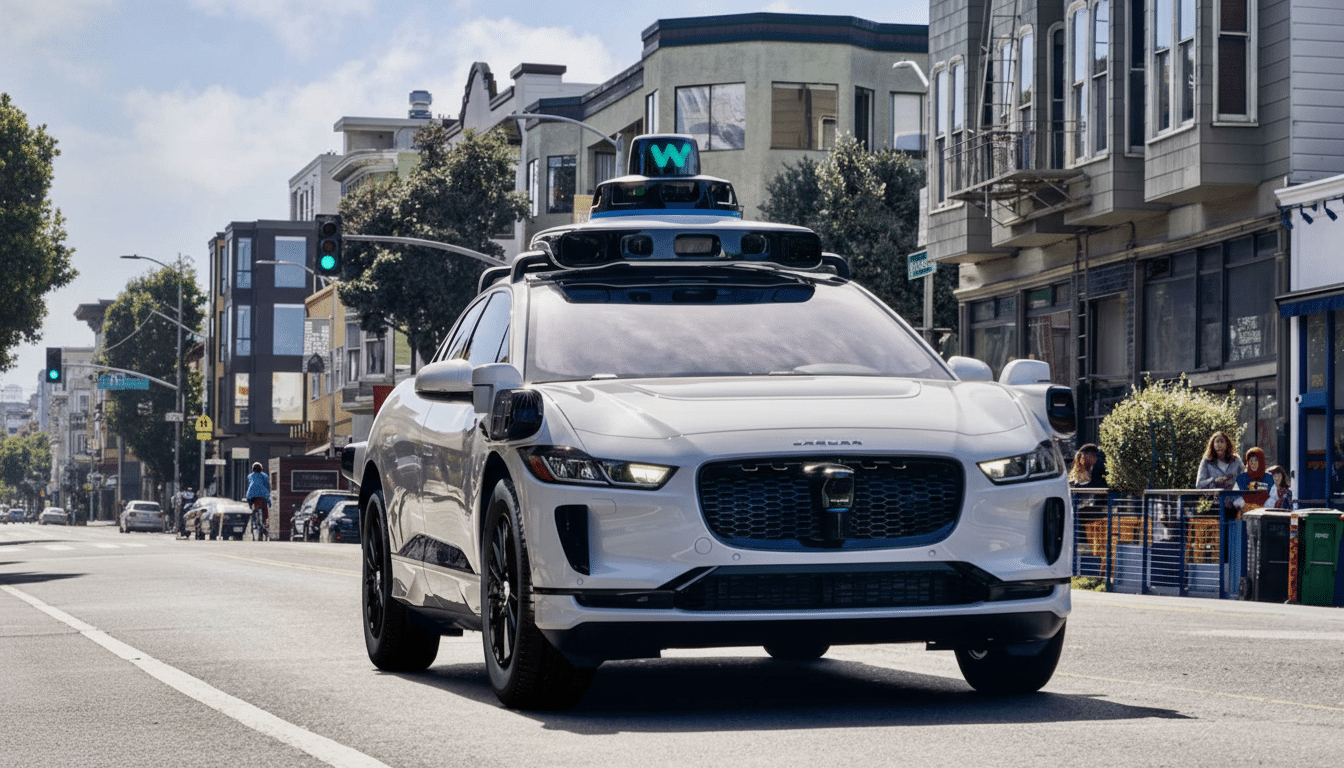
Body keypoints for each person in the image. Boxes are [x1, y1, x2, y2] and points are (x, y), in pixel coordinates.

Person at [1233, 447, 1274, 516]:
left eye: (1256, 460)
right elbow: (1235, 497)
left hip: (1265, 514)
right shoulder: (1241, 478)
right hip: (1245, 514)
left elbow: (1274, 497)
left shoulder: (1269, 478)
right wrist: (1247, 506)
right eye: (1251, 461)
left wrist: (1261, 507)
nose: (1253, 463)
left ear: (1261, 461)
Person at [245, 462, 270, 534]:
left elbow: (249, 484)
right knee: (265, 507)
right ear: (261, 469)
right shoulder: (265, 475)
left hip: (251, 495)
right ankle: (265, 523)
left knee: (251, 506)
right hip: (262, 495)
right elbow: (267, 485)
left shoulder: (250, 476)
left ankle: (253, 515)